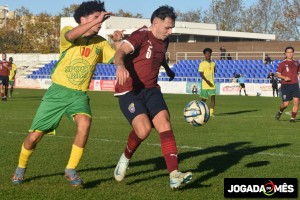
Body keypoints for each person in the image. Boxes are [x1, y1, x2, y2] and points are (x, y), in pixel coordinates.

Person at [12, 0, 124, 186]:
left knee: (85, 122)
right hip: (57, 93)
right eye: (96, 18)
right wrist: (96, 21)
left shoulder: (101, 43)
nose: (100, 22)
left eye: (101, 19)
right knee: (33, 138)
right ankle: (20, 168)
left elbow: (117, 58)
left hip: (78, 95)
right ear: (83, 19)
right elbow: (72, 35)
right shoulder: (69, 32)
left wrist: (118, 42)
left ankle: (70, 169)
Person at [113, 5, 192, 190]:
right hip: (129, 90)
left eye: (171, 27)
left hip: (151, 89)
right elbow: (120, 53)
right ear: (155, 23)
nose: (170, 31)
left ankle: (174, 175)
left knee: (164, 122)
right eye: (167, 27)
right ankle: (125, 157)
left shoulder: (165, 40)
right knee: (143, 130)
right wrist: (120, 66)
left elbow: (159, 56)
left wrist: (168, 69)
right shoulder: (140, 35)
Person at [275, 47, 300, 122]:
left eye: (291, 52)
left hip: (295, 84)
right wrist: (284, 77)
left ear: (293, 53)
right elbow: (277, 74)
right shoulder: (282, 63)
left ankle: (292, 118)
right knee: (286, 104)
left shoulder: (297, 63)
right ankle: (280, 111)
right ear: (285, 53)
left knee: (296, 101)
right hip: (285, 85)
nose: (290, 53)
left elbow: (298, 72)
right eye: (288, 52)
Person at [199, 48, 216, 116]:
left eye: (209, 53)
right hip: (205, 84)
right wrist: (207, 81)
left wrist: (210, 81)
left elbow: (214, 71)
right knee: (204, 99)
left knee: (213, 98)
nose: (208, 55)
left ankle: (211, 113)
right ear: (204, 55)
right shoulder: (202, 63)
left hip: (212, 84)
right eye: (206, 54)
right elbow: (201, 74)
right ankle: (199, 109)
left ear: (211, 54)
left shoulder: (213, 63)